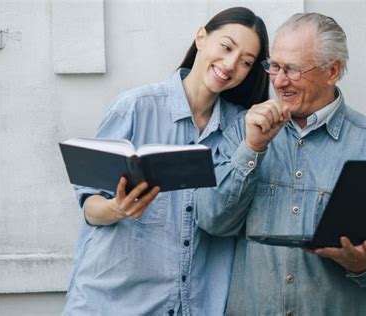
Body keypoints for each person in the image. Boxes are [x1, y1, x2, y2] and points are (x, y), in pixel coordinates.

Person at [196, 12, 366, 315]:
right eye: (273, 66)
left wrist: (365, 263)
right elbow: (211, 220)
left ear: (332, 71)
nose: (279, 80)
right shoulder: (242, 131)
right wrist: (252, 149)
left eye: (293, 69)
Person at [62, 7, 270, 315]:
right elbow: (90, 208)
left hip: (196, 305)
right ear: (201, 37)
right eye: (226, 47)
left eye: (246, 62)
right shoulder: (135, 107)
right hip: (113, 304)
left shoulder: (243, 130)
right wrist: (117, 209)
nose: (230, 65)